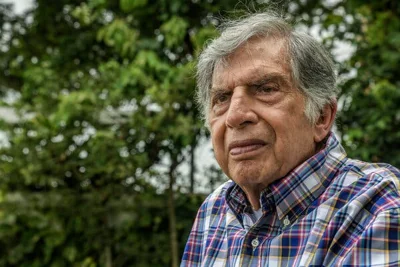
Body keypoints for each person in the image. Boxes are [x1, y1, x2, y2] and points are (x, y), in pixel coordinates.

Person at [181, 11, 400, 267]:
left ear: (321, 117)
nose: (235, 116)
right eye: (221, 98)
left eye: (266, 89)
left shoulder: (378, 208)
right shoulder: (214, 211)